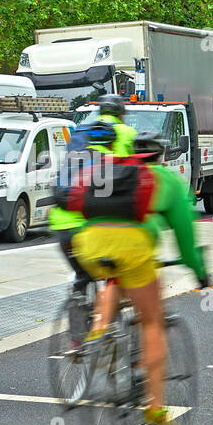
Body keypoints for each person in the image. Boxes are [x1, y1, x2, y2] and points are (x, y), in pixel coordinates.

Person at [70, 136, 209, 425]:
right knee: (152, 321)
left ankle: (98, 336)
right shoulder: (167, 181)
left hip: (88, 245)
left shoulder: (111, 169)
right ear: (161, 157)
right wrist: (199, 272)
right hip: (133, 249)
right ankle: (155, 409)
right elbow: (185, 238)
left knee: (114, 280)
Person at [49, 95, 135, 296]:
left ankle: (78, 301)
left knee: (82, 275)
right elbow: (136, 174)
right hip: (97, 218)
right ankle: (109, 318)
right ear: (121, 115)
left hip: (61, 219)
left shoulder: (80, 132)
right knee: (121, 270)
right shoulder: (127, 133)